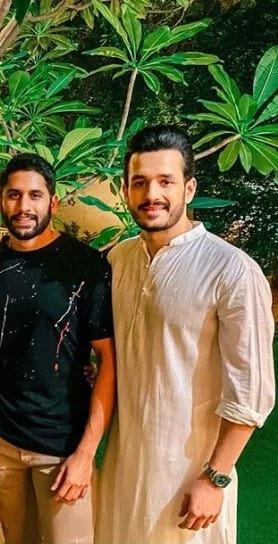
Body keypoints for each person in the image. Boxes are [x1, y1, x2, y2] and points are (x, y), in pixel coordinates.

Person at [96, 124, 275, 544]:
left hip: (190, 479)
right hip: (124, 470)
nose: (151, 194)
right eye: (140, 183)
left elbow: (251, 390)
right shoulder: (119, 260)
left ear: (189, 188)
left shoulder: (231, 269)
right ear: (125, 191)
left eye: (166, 181)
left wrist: (215, 477)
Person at [0, 153, 116, 544]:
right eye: (14, 195)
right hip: (2, 441)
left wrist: (85, 454)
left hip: (63, 447)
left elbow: (108, 361)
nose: (24, 206)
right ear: (0, 201)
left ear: (52, 202)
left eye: (34, 195)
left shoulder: (85, 265)